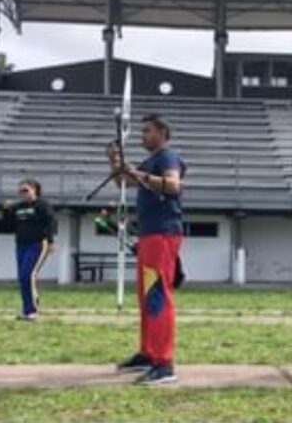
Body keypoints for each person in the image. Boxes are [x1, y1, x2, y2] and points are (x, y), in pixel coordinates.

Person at [107, 114, 186, 385]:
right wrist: (115, 162)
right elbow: (122, 183)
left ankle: (164, 364)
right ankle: (149, 352)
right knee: (146, 297)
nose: (143, 135)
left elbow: (173, 186)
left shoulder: (167, 157)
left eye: (148, 131)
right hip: (150, 234)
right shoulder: (150, 161)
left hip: (163, 234)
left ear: (163, 132)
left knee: (158, 297)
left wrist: (135, 172)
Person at [3, 178, 56, 321]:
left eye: (26, 190)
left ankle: (33, 310)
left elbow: (50, 221)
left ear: (34, 190)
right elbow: (8, 224)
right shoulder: (18, 207)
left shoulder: (42, 205)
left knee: (29, 275)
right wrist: (6, 210)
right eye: (20, 191)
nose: (23, 194)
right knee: (22, 278)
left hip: (38, 244)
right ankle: (27, 310)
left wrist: (50, 241)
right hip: (21, 244)